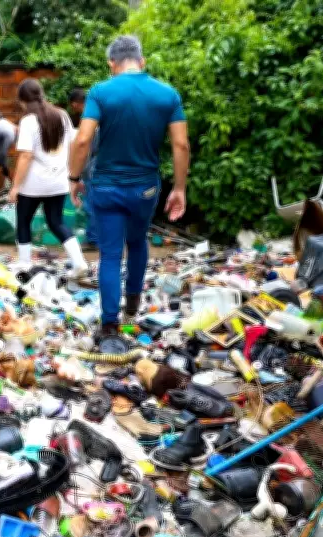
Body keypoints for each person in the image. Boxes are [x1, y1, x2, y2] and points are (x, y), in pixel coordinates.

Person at [68, 35, 190, 335]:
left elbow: (82, 140)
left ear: (112, 63)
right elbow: (181, 145)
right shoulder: (168, 94)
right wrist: (179, 188)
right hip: (145, 189)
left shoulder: (100, 92)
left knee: (110, 254)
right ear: (142, 61)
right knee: (137, 242)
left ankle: (110, 324)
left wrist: (73, 178)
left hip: (106, 186)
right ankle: (133, 304)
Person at [10, 78, 88, 277]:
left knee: (24, 221)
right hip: (58, 182)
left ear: (22, 100)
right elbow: (73, 145)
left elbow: (26, 156)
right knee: (56, 222)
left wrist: (15, 187)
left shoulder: (28, 121)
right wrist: (72, 176)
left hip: (33, 184)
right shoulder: (62, 115)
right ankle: (79, 262)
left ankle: (25, 264)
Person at [68, 88, 99, 249]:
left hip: (95, 167)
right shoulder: (102, 112)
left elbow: (84, 146)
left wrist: (75, 176)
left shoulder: (91, 118)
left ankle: (93, 240)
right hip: (101, 166)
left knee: (91, 204)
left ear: (75, 104)